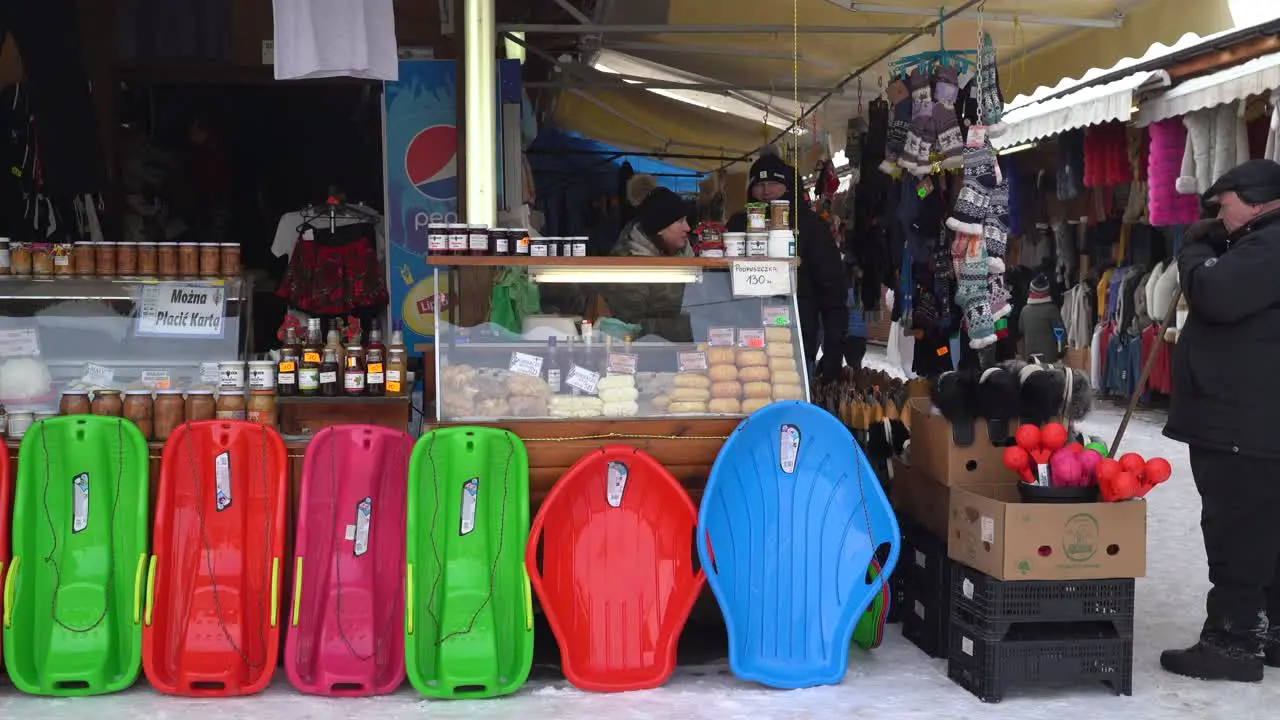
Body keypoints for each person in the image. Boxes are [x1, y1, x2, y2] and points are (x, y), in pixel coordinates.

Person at [1161, 159, 1280, 683]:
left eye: (1223, 202)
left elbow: (1214, 294)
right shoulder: (1259, 242)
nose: (1216, 211)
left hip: (1244, 422)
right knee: (1261, 531)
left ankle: (1232, 644)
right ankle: (1268, 634)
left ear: (1255, 200)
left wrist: (1195, 251)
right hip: (1248, 419)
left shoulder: (1270, 245)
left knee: (1237, 531)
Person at [727, 152, 848, 380]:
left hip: (795, 342)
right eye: (759, 184)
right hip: (741, 340)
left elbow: (832, 290)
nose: (766, 191)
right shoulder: (737, 224)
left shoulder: (811, 227)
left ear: (789, 186)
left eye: (774, 183)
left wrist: (834, 347)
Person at [604, 184, 695, 342]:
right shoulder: (629, 265)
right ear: (660, 228)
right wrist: (689, 327)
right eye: (680, 221)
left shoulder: (687, 254)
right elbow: (631, 325)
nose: (688, 227)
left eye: (686, 220)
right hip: (647, 350)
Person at [1017, 274, 1062, 362]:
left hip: (1030, 356)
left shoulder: (1025, 310)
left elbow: (1021, 330)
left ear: (1031, 291)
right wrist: (1061, 352)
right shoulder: (1052, 310)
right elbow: (1060, 334)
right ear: (1047, 291)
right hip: (1049, 357)